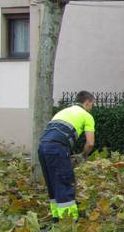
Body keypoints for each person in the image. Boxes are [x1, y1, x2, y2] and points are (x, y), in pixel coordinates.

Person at [37, 90, 95, 221]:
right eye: (92, 105)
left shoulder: (62, 112)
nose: (91, 108)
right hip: (58, 147)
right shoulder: (86, 116)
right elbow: (90, 143)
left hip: (42, 146)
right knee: (64, 181)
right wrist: (83, 156)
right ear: (87, 102)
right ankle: (68, 221)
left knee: (52, 182)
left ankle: (56, 217)